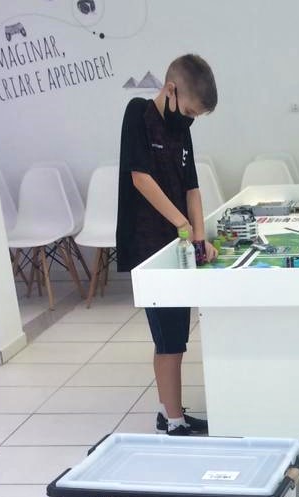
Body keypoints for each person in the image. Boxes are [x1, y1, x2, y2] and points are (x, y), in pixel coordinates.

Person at [116, 54, 219, 436]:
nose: (190, 119)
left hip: (177, 245)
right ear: (171, 89)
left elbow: (192, 187)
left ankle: (171, 412)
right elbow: (140, 178)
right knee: (168, 338)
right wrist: (182, 224)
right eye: (189, 110)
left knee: (176, 333)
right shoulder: (138, 114)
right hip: (149, 246)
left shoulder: (182, 129)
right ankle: (173, 421)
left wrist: (199, 235)